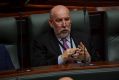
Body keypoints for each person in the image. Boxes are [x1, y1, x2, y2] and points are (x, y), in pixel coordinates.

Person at [31, 5, 99, 67]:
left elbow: (100, 62)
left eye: (67, 19)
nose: (64, 25)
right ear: (51, 23)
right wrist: (62, 58)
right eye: (59, 20)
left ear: (71, 20)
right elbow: (38, 66)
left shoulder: (84, 38)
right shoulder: (41, 42)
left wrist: (87, 58)